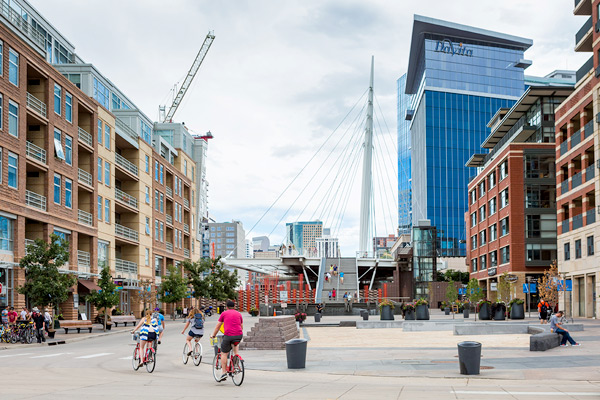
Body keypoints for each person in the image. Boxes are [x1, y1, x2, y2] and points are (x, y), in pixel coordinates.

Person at [210, 300, 244, 382]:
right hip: (239, 335)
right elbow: (241, 326)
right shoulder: (239, 314)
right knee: (235, 345)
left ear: (227, 307)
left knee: (224, 353)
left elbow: (218, 326)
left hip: (228, 336)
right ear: (234, 307)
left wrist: (213, 335)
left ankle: (224, 372)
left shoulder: (224, 313)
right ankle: (236, 363)